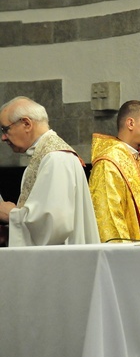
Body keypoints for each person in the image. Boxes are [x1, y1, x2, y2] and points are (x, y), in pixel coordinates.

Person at [0, 96, 100, 246]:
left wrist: (11, 215)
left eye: (5, 129)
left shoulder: (56, 158)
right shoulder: (47, 156)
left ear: (26, 124)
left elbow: (53, 225)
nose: (3, 137)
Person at [89, 100, 140, 242]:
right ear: (130, 123)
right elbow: (109, 218)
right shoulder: (108, 163)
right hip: (127, 256)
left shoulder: (135, 157)